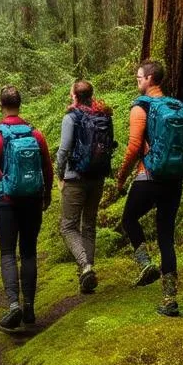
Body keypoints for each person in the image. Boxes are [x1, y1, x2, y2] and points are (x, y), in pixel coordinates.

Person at [115, 59, 183, 318]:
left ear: (149, 79)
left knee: (129, 218)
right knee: (166, 238)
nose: (137, 82)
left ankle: (145, 264)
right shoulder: (177, 108)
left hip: (149, 177)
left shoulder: (141, 108)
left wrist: (121, 176)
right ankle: (170, 300)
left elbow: (135, 146)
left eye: (139, 78)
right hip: (174, 179)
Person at [0, 85, 53, 331]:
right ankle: (30, 306)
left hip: (7, 201)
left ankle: (14, 306)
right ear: (20, 104)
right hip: (33, 200)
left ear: (1, 105)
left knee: (8, 253)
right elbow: (47, 167)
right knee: (30, 252)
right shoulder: (36, 135)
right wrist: (47, 194)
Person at [56, 79, 115, 294]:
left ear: (74, 95)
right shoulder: (104, 116)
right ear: (91, 94)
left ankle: (85, 266)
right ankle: (86, 276)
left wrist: (59, 174)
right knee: (89, 225)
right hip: (97, 177)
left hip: (75, 178)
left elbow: (63, 150)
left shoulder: (71, 117)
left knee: (68, 226)